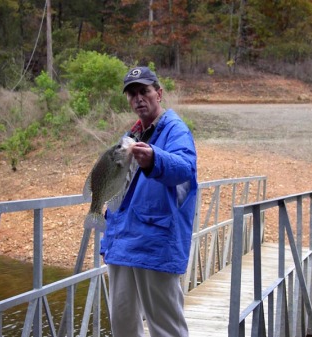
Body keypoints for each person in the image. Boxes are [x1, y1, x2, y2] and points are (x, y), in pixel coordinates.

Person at [100, 66, 198, 337]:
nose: (138, 98)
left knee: (166, 329)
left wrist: (155, 159)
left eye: (144, 91)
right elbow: (115, 194)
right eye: (132, 94)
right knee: (123, 327)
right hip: (122, 246)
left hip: (156, 245)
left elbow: (185, 168)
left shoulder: (175, 130)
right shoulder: (130, 136)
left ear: (159, 93)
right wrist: (107, 241)